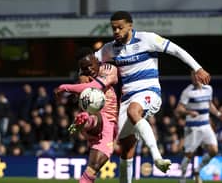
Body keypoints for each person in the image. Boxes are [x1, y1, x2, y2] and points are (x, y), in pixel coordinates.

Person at [94, 11, 211, 183]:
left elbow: (176, 50)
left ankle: (157, 158)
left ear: (130, 26)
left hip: (149, 92)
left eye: (120, 27)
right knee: (127, 147)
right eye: (113, 29)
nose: (116, 31)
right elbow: (89, 62)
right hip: (126, 99)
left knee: (134, 111)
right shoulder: (110, 48)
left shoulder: (147, 39)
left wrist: (197, 68)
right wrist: (82, 85)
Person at [55, 47, 118, 183]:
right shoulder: (84, 77)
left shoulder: (109, 69)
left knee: (91, 171)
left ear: (96, 60)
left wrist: (65, 87)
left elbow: (96, 86)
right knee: (96, 115)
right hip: (102, 122)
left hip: (106, 125)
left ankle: (85, 121)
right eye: (84, 67)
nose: (88, 69)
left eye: (90, 65)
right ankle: (86, 120)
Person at [175, 71, 222, 183]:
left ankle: (198, 170)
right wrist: (188, 112)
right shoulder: (187, 92)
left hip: (205, 125)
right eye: (193, 75)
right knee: (188, 155)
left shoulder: (209, 89)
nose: (195, 77)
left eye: (197, 75)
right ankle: (182, 179)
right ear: (191, 77)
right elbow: (178, 110)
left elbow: (209, 104)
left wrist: (218, 114)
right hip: (192, 127)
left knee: (214, 151)